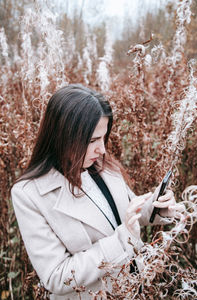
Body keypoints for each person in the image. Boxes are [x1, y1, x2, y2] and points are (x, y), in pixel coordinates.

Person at [11, 84, 178, 300]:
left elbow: (122, 213)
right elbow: (56, 276)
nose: (103, 149)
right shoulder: (29, 194)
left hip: (134, 288)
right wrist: (122, 240)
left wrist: (156, 207)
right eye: (92, 140)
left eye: (103, 137)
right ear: (62, 136)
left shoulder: (101, 164)